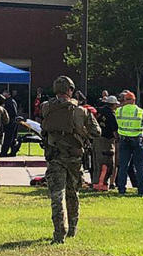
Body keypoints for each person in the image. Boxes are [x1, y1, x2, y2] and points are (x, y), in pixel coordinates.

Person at [41, 76, 100, 243]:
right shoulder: (80, 111)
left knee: (56, 194)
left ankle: (59, 232)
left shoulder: (46, 107)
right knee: (73, 192)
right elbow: (97, 131)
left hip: (54, 156)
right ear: (70, 90)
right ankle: (73, 228)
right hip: (74, 157)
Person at [115, 90, 143, 196]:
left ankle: (121, 189)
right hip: (137, 140)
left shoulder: (118, 111)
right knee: (139, 166)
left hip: (124, 140)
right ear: (134, 100)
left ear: (125, 100)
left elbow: (116, 123)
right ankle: (141, 190)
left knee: (123, 166)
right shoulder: (139, 111)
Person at [92, 95, 119, 191]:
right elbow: (115, 130)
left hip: (96, 139)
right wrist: (117, 140)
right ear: (113, 105)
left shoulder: (98, 111)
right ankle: (102, 185)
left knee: (96, 163)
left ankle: (95, 184)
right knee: (106, 163)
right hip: (107, 141)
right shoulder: (111, 115)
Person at [0, 90, 20, 157]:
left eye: (4, 92)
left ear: (8, 94)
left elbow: (13, 112)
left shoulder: (10, 101)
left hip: (11, 123)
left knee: (8, 138)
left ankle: (4, 152)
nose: (2, 94)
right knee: (11, 138)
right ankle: (12, 152)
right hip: (10, 122)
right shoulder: (9, 101)